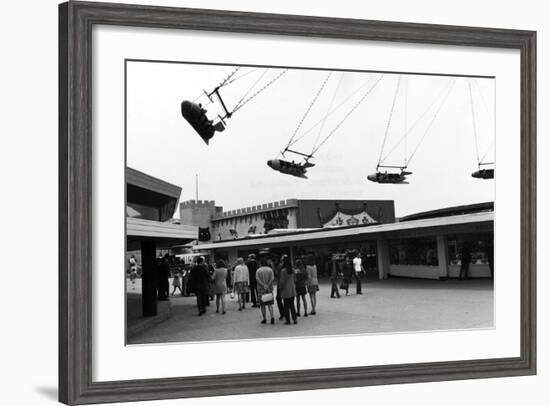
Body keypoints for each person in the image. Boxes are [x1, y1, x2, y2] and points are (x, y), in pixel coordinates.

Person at [278, 255, 297, 325]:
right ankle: (295, 319)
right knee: (292, 305)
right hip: (292, 289)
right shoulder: (292, 270)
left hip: (286, 291)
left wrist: (280, 289)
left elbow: (282, 282)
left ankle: (288, 320)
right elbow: (295, 279)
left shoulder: (283, 271)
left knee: (286, 306)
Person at [256, 257, 275, 324]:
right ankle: (272, 317)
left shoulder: (258, 270)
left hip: (261, 290)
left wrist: (263, 285)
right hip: (269, 289)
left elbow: (257, 279)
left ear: (260, 263)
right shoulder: (270, 269)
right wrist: (267, 285)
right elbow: (272, 278)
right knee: (270, 305)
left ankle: (264, 319)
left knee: (262, 305)